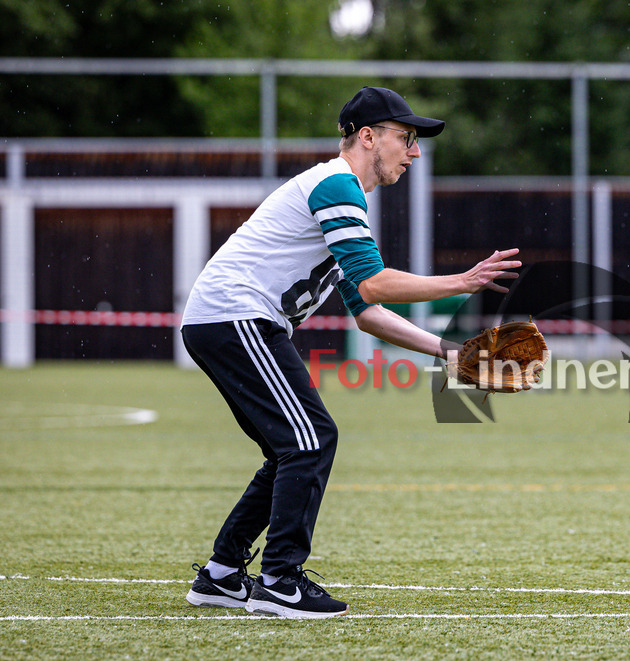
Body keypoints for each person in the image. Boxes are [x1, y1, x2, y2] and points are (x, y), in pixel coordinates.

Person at [180, 86, 520, 618]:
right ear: (368, 137)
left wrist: (451, 352)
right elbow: (378, 285)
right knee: (311, 440)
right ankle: (280, 582)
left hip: (227, 321)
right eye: (405, 138)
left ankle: (222, 575)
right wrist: (463, 280)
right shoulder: (338, 184)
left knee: (292, 446)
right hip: (235, 318)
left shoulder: (341, 193)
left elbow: (366, 309)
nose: (414, 152)